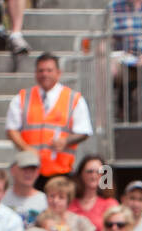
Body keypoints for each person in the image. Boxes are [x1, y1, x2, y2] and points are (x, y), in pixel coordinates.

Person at [6, 54, 94, 184]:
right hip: (31, 171)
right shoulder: (22, 98)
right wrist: (26, 149)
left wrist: (66, 140)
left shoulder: (74, 99)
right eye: (41, 71)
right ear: (35, 73)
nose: (44, 74)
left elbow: (84, 131)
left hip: (61, 171)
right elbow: (11, 129)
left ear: (58, 73)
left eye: (49, 70)